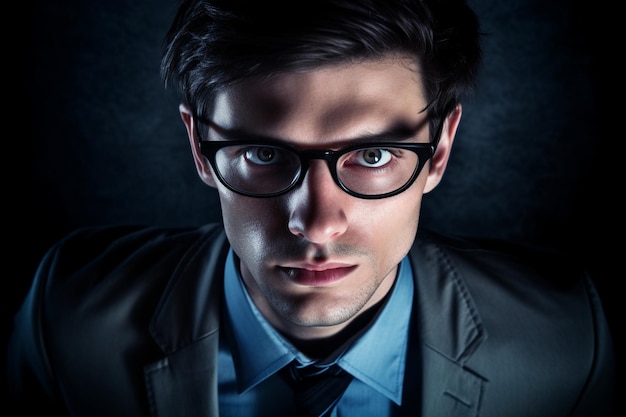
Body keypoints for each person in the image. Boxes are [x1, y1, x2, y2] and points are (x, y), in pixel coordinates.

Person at [7, 0, 615, 416]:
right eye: (263, 153)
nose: (317, 223)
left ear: (440, 151)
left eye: (373, 155)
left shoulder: (564, 345)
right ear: (198, 145)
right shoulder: (69, 321)